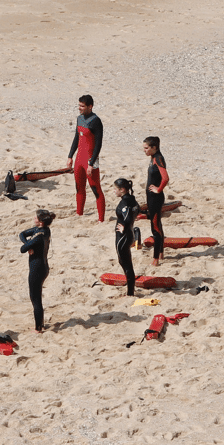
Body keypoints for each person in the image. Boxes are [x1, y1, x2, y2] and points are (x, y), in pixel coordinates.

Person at [66, 94, 105, 222]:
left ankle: (101, 219)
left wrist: (91, 163)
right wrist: (70, 156)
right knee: (79, 186)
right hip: (79, 159)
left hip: (90, 159)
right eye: (79, 105)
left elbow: (98, 144)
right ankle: (79, 213)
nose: (79, 108)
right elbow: (76, 138)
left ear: (90, 106)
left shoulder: (96, 121)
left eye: (82, 106)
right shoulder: (79, 119)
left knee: (95, 188)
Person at [19, 209, 55, 333]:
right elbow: (22, 234)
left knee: (35, 298)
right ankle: (41, 324)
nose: (33, 219)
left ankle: (38, 328)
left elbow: (22, 249)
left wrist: (28, 246)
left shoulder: (39, 235)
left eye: (35, 218)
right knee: (37, 297)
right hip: (43, 267)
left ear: (40, 222)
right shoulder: (43, 230)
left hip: (37, 269)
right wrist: (28, 244)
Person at [144, 136, 169, 267]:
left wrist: (159, 189)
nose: (144, 150)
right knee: (157, 224)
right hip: (151, 197)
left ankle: (156, 259)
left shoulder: (158, 158)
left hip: (155, 198)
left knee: (155, 227)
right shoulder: (153, 157)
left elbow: (165, 178)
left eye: (146, 148)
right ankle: (161, 253)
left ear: (155, 148)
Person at [114, 178, 140, 296]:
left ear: (122, 189)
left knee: (125, 264)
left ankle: (130, 293)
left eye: (115, 189)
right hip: (129, 235)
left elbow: (128, 217)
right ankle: (131, 289)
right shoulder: (132, 199)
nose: (114, 191)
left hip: (123, 237)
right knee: (126, 262)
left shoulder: (125, 202)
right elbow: (136, 210)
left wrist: (123, 228)